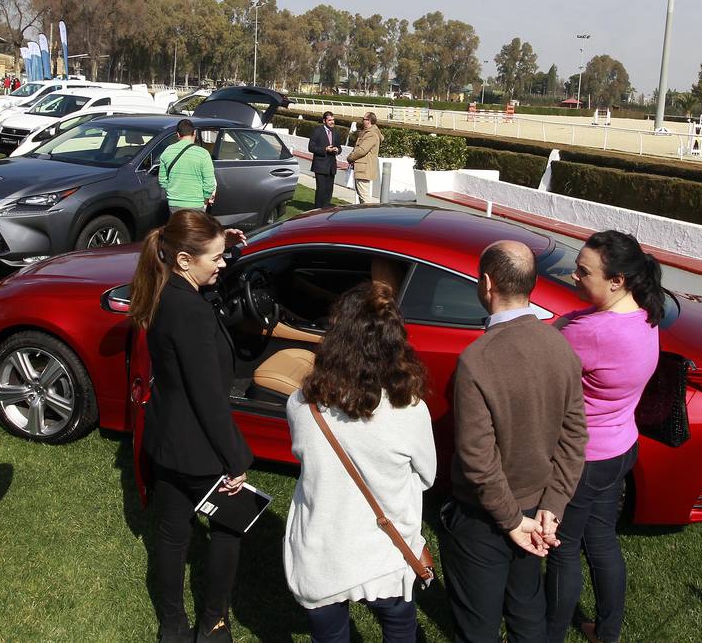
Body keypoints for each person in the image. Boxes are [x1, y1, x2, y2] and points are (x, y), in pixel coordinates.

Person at [442, 240, 588, 643]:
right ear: (532, 285)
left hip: (487, 520)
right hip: (537, 512)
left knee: (478, 626)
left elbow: (477, 459)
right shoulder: (561, 346)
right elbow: (575, 439)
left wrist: (511, 522)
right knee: (527, 613)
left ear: (486, 283)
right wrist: (551, 508)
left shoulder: (477, 359)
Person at [285, 282, 436, 643]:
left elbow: (302, 454)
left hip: (323, 551)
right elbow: (427, 476)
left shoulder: (300, 404)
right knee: (400, 629)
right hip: (387, 552)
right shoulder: (411, 409)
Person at [129, 210, 252, 643]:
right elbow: (208, 399)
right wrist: (236, 458)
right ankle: (214, 625)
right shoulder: (193, 314)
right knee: (227, 529)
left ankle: (172, 625)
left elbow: (206, 264)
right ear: (184, 260)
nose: (222, 264)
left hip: (166, 439)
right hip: (200, 449)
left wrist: (228, 246)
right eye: (216, 258)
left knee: (170, 534)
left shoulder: (164, 289)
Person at [544, 231, 662, 643]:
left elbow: (547, 348)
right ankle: (607, 630)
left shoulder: (593, 332)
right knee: (602, 541)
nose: (574, 277)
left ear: (617, 281)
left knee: (563, 548)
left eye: (583, 271)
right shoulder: (645, 316)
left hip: (584, 458)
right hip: (621, 448)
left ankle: (550, 634)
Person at [158, 119, 216, 213]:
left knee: (177, 228)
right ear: (195, 133)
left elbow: (162, 180)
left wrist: (173, 192)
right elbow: (209, 182)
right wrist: (205, 198)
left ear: (177, 134)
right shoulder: (203, 154)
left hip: (174, 204)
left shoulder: (167, 151)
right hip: (196, 204)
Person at [308, 111, 341, 209]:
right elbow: (311, 147)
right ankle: (317, 210)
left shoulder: (336, 132)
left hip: (331, 166)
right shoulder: (317, 131)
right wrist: (324, 149)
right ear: (324, 121)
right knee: (321, 190)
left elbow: (339, 147)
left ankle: (325, 211)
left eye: (333, 120)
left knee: (329, 191)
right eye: (330, 120)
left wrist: (337, 150)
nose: (332, 122)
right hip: (320, 166)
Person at [348, 112, 383, 205]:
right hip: (362, 168)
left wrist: (350, 158)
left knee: (365, 198)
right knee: (363, 197)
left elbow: (362, 150)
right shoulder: (369, 132)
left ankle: (369, 217)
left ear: (369, 121)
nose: (362, 121)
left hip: (364, 169)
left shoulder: (371, 134)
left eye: (364, 119)